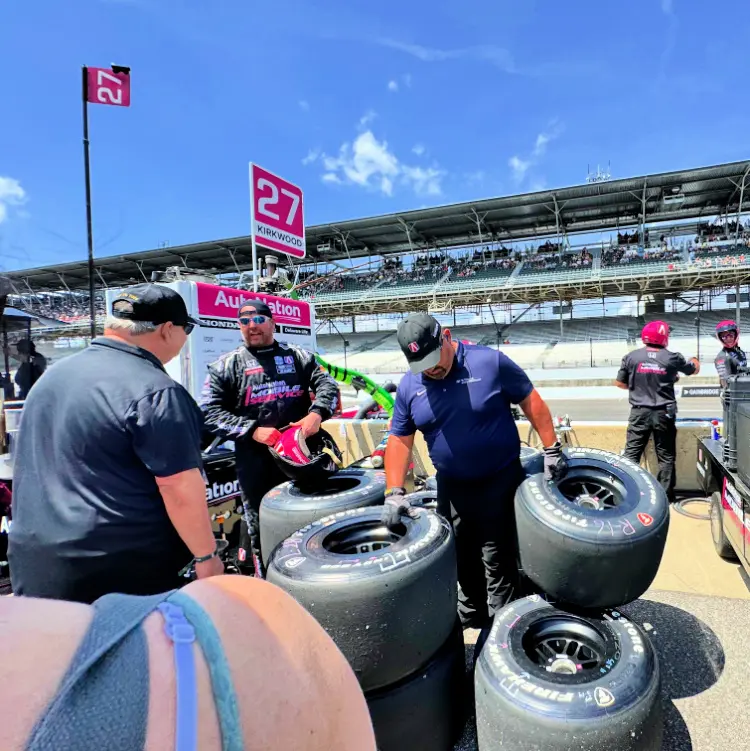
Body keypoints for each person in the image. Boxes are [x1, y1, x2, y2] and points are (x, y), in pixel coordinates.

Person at [8, 283, 223, 604]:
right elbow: (178, 486)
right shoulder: (156, 390)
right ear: (167, 330)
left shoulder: (52, 377)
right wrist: (206, 558)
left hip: (36, 561)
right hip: (118, 572)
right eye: (186, 327)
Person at [0, 575, 376, 751]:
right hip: (154, 602)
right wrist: (206, 559)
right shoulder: (252, 622)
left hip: (53, 580)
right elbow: (177, 481)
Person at [383, 313, 567, 631]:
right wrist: (394, 491)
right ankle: (472, 617)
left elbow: (531, 401)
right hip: (452, 489)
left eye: (433, 359)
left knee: (498, 561)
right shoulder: (410, 385)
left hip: (500, 482)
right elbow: (400, 439)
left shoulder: (489, 363)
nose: (431, 369)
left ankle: (504, 630)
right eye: (421, 364)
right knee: (462, 559)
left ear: (447, 337)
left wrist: (552, 450)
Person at [200, 299, 339, 577]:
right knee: (261, 531)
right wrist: (252, 430)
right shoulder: (226, 366)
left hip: (302, 458)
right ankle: (270, 584)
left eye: (259, 320)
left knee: (314, 522)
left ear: (272, 323)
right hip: (256, 466)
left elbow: (328, 385)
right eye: (244, 321)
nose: (252, 326)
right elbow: (208, 413)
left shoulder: (298, 355)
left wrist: (317, 414)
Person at [615, 320, 700, 503]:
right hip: (664, 413)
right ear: (664, 337)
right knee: (666, 456)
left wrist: (640, 385)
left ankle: (625, 494)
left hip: (639, 412)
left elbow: (620, 384)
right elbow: (692, 370)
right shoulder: (672, 357)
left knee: (631, 454)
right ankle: (665, 498)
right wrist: (695, 360)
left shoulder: (631, 357)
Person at [714, 319, 747, 388]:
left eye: (731, 335)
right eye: (724, 336)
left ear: (736, 335)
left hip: (743, 392)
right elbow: (725, 383)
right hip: (733, 395)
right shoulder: (721, 357)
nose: (728, 339)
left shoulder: (741, 352)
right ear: (720, 338)